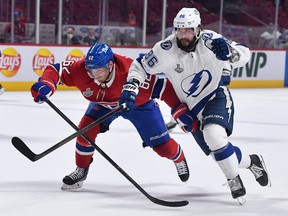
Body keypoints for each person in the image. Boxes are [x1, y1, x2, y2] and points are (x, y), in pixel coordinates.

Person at [119, 7, 271, 204]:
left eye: (188, 30)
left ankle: (233, 179)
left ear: (198, 29)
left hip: (215, 96)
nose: (183, 35)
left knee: (214, 137)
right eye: (179, 30)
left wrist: (231, 52)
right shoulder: (165, 49)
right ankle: (253, 162)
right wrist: (132, 83)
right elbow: (140, 66)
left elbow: (244, 53)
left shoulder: (210, 40)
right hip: (191, 107)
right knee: (217, 152)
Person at [30, 43, 190, 190]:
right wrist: (47, 84)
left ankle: (179, 158)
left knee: (163, 147)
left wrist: (179, 111)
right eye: (91, 71)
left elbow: (164, 88)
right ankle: (81, 170)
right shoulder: (81, 70)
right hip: (105, 105)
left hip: (139, 106)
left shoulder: (131, 71)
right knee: (85, 130)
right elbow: (56, 70)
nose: (94, 76)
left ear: (111, 65)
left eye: (99, 71)